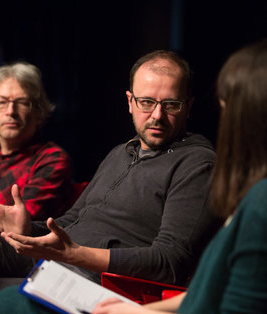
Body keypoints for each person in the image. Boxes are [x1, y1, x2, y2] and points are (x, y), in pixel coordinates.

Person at [0, 50, 221, 314]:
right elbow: (72, 220)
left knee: (4, 293)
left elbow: (170, 262)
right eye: (147, 102)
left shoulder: (197, 163)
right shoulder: (121, 152)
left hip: (101, 279)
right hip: (58, 259)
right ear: (130, 102)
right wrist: (28, 229)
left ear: (189, 107)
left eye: (171, 105)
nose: (157, 116)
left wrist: (76, 254)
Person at [90, 39, 267, 314]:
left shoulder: (258, 200)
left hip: (113, 284)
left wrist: (134, 311)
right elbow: (207, 292)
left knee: (11, 297)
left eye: (227, 106)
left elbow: (233, 306)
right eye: (147, 102)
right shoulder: (253, 193)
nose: (158, 115)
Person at [0, 62, 74, 222]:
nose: (11, 111)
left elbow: (17, 224)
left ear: (38, 112)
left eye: (22, 103)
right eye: (1, 102)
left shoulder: (51, 159)